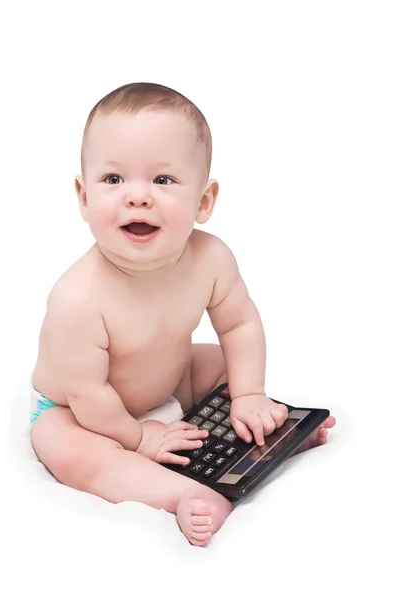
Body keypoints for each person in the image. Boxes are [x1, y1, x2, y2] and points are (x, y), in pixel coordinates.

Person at [30, 82, 336, 546]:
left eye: (163, 180)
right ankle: (180, 494)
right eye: (114, 180)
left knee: (217, 360)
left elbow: (240, 324)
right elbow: (89, 392)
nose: (137, 197)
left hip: (167, 374)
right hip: (81, 410)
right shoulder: (77, 297)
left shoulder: (211, 259)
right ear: (84, 196)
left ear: (204, 201)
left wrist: (249, 392)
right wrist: (139, 439)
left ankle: (270, 432)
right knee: (62, 446)